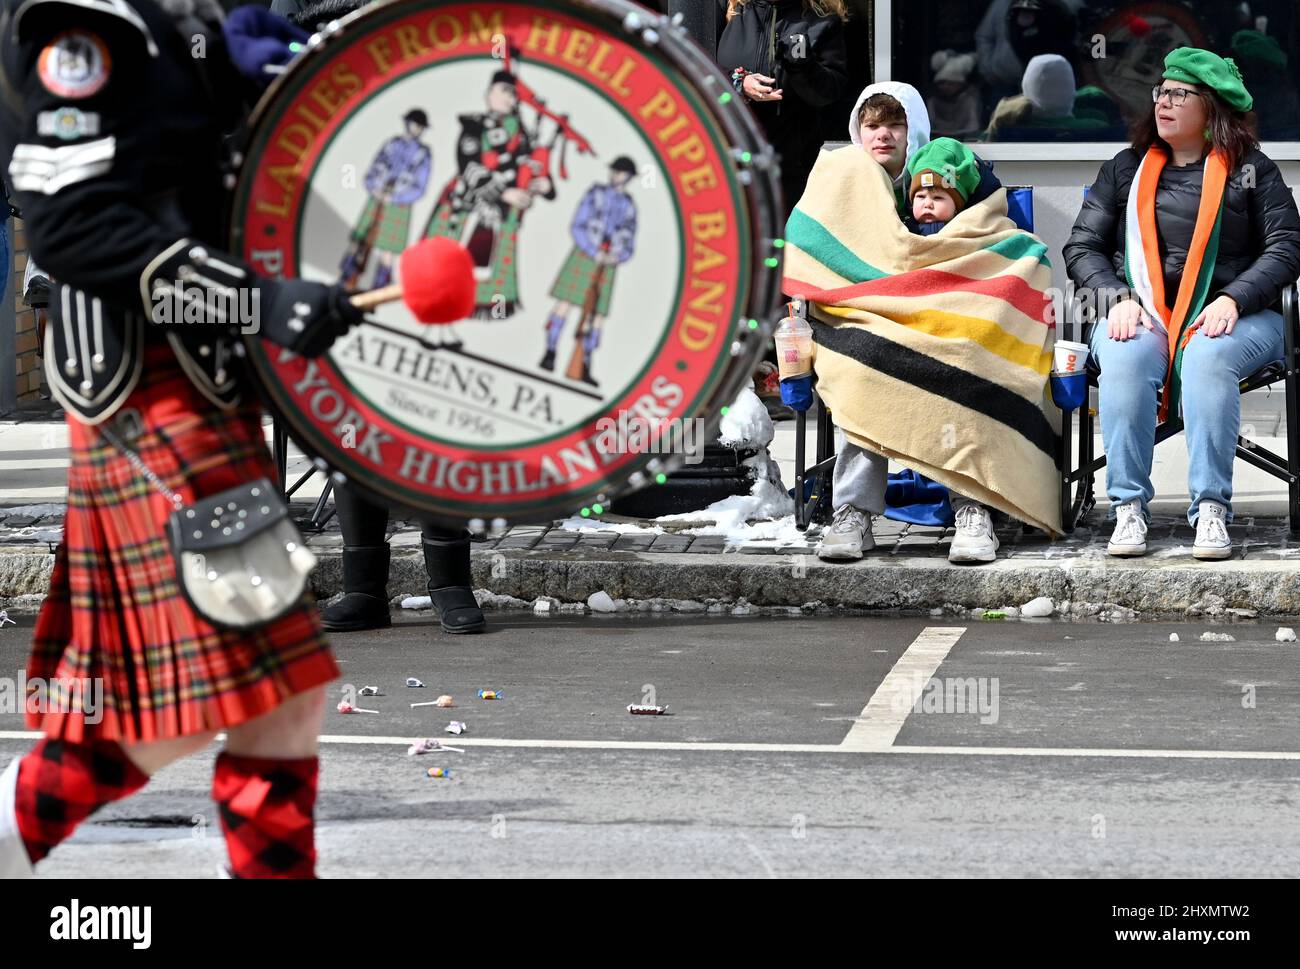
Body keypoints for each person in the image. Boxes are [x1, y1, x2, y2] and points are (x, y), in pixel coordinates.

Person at [0, 0, 367, 879]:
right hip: (146, 398)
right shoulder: (83, 32)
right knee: (192, 711)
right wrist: (258, 298)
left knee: (280, 697)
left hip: (206, 388)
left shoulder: (186, 22)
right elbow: (71, 228)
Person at [1063, 47, 1300, 560]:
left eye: (1179, 94)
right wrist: (1114, 297)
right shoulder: (1125, 170)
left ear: (1211, 107)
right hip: (1139, 312)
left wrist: (1236, 298)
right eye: (1161, 93)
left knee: (1208, 355)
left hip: (1235, 315)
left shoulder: (1252, 171)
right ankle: (1128, 508)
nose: (1163, 103)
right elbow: (1082, 247)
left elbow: (1286, 247)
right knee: (1125, 354)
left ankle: (1211, 509)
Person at [816, 136, 1010, 563]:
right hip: (894, 341)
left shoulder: (990, 237)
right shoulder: (890, 234)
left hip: (959, 343)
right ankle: (854, 512)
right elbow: (865, 287)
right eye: (920, 194)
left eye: (938, 195)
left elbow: (1013, 285)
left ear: (959, 203)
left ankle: (972, 509)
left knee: (966, 374)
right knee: (860, 370)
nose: (926, 203)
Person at [716, 0, 849, 221]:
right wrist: (739, 83)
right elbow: (695, 66)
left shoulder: (822, 19)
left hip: (791, 166)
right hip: (728, 160)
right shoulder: (727, 8)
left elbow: (829, 93)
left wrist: (802, 67)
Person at [539, 156, 640, 387]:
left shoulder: (629, 205)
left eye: (621, 173)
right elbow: (578, 225)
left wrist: (618, 255)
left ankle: (585, 362)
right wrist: (593, 251)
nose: (616, 176)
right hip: (586, 256)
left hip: (608, 263)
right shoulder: (595, 194)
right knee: (563, 304)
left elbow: (629, 238)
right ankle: (550, 352)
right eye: (615, 171)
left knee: (598, 317)